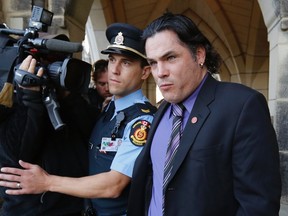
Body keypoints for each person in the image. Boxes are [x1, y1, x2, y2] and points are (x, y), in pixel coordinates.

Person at [125, 13, 281, 215]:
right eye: (153, 63)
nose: (160, 72)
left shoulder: (242, 106)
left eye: (170, 58)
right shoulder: (161, 110)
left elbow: (258, 205)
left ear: (199, 55)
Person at [0, 23, 157, 216]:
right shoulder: (110, 108)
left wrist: (47, 182)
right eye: (112, 59)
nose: (114, 70)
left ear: (145, 72)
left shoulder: (142, 120)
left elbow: (113, 185)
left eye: (126, 63)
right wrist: (64, 94)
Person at [0, 35, 99, 215]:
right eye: (46, 59)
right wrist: (29, 97)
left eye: (61, 59)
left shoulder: (72, 102)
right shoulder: (10, 104)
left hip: (78, 207)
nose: (54, 66)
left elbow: (92, 135)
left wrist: (68, 97)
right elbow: (19, 155)